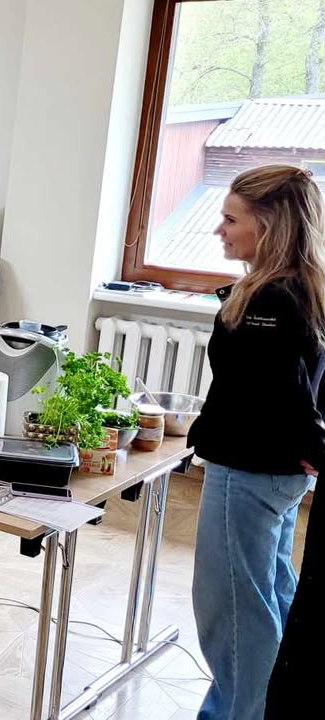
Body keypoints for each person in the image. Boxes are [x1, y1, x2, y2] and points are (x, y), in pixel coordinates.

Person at [184, 165, 325, 720]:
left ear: (270, 225)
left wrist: (309, 446)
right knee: (268, 592)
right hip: (275, 472)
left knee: (233, 610)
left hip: (250, 471)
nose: (219, 229)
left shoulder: (271, 300)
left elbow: (286, 392)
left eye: (231, 219)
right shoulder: (301, 286)